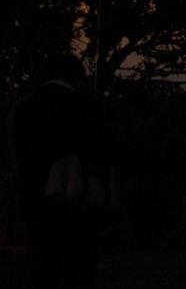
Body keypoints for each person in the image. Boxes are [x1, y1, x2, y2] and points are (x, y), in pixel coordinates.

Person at [10, 54, 110, 288]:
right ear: (76, 77)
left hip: (35, 201)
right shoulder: (82, 105)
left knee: (43, 269)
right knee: (78, 269)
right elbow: (100, 148)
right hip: (75, 200)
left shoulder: (25, 107)